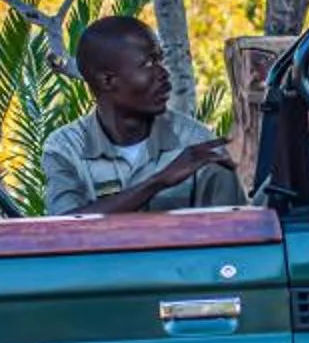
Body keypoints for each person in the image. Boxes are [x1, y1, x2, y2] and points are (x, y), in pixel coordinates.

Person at [40, 16, 244, 214]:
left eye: (160, 60)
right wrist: (158, 183)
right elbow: (65, 230)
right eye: (148, 64)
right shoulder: (65, 148)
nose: (164, 73)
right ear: (107, 81)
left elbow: (229, 234)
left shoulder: (197, 144)